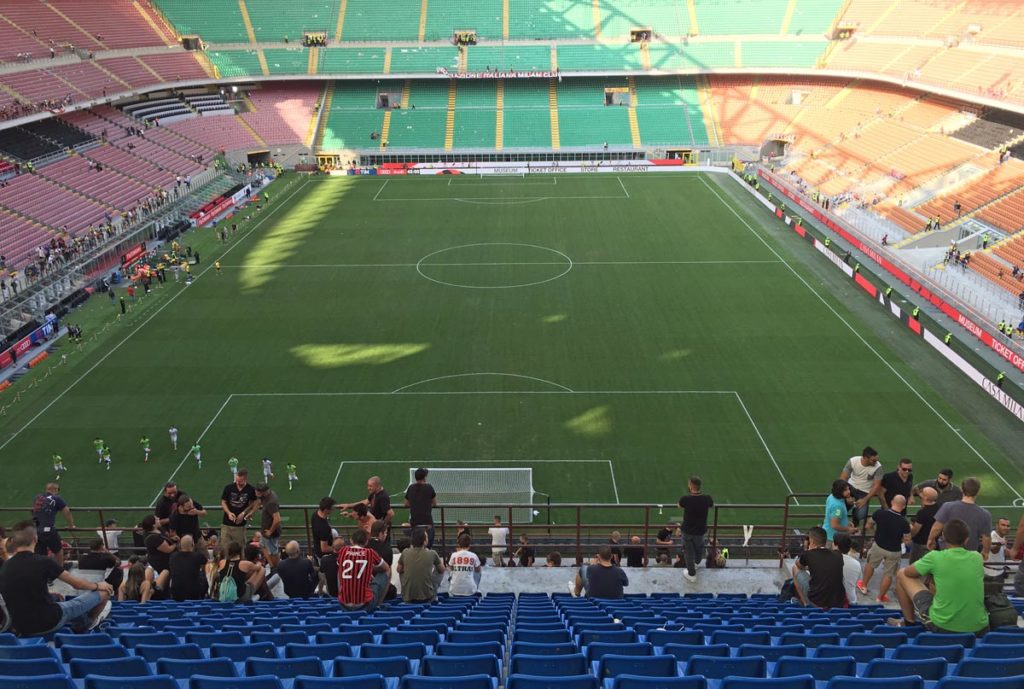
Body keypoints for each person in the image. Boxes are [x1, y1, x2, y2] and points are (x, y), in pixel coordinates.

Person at [0, 523, 113, 635]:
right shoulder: (44, 561)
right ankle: (87, 625)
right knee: (104, 592)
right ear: (35, 539)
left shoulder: (5, 566)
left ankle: (81, 621)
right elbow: (77, 584)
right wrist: (98, 586)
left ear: (13, 542)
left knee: (60, 601)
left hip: (21, 627)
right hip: (49, 621)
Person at [888, 519, 989, 634]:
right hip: (980, 627)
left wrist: (928, 564)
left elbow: (908, 573)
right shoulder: (976, 557)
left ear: (943, 537)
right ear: (966, 540)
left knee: (901, 573)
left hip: (943, 626)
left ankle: (908, 622)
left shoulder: (935, 557)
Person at [858, 495, 910, 602]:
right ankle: (880, 597)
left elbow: (868, 525)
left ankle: (863, 586)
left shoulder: (879, 513)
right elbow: (907, 540)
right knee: (888, 574)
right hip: (894, 551)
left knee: (870, 565)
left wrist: (874, 534)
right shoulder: (904, 522)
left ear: (891, 502)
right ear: (904, 506)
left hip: (878, 546)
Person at [928, 478, 992, 557]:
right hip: (969, 554)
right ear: (978, 492)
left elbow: (937, 528)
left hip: (947, 551)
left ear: (961, 489)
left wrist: (931, 539)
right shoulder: (985, 514)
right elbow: (986, 537)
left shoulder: (947, 506)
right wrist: (986, 552)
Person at [792, 526, 847, 609]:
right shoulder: (838, 554)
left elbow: (798, 565)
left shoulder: (809, 554)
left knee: (794, 568)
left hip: (817, 601)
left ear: (812, 541)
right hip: (838, 601)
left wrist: (807, 550)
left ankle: (805, 603)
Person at [336, 528, 390, 611]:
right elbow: (386, 568)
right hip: (365, 605)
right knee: (387, 572)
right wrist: (370, 568)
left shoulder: (343, 551)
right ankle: (378, 604)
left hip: (343, 605)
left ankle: (343, 593)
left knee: (340, 569)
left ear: (351, 541)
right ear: (366, 542)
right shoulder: (370, 552)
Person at [678, 475, 714, 583]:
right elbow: (711, 505)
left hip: (687, 530)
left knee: (688, 552)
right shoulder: (707, 498)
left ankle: (691, 574)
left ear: (691, 486)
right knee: (699, 548)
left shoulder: (686, 499)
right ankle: (697, 563)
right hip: (700, 530)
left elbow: (679, 505)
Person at [397, 528, 445, 603]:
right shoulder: (432, 553)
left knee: (401, 570)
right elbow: (442, 570)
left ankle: (407, 591)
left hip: (407, 596)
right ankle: (433, 592)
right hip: (428, 596)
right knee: (440, 570)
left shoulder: (405, 552)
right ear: (424, 540)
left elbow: (399, 570)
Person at [32, 483, 74, 566]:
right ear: (55, 490)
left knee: (41, 554)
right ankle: (59, 570)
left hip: (37, 530)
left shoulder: (37, 498)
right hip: (48, 530)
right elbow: (67, 511)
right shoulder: (56, 498)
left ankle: (42, 571)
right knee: (58, 550)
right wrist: (71, 526)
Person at [840, 447, 883, 528]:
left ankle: (854, 522)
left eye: (877, 460)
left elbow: (876, 485)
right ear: (865, 458)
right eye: (873, 460)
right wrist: (847, 496)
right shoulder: (853, 461)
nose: (876, 462)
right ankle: (841, 524)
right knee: (840, 508)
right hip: (850, 488)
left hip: (864, 492)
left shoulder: (878, 467)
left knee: (860, 515)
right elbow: (843, 478)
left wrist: (865, 500)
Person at [220, 469, 259, 552]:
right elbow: (223, 502)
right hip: (226, 523)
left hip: (240, 525)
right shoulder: (229, 488)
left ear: (245, 479)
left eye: (240, 481)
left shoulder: (250, 489)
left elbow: (255, 502)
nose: (237, 483)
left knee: (240, 548)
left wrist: (244, 512)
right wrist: (229, 513)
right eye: (236, 480)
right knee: (224, 547)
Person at [168, 535, 207, 601]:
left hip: (176, 594)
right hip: (193, 594)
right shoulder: (198, 556)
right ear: (193, 544)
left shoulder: (173, 556)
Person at [404, 468, 437, 548]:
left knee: (417, 547)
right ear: (424, 477)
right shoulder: (429, 487)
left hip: (415, 524)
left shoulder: (411, 488)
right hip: (427, 524)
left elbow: (406, 504)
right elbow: (435, 503)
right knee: (428, 548)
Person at [823, 479, 859, 544]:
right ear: (839, 491)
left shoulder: (831, 496)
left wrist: (846, 522)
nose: (849, 492)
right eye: (845, 490)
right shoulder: (838, 506)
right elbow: (834, 525)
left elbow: (835, 517)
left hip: (829, 535)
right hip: (834, 539)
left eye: (848, 489)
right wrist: (848, 529)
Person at [909, 487, 939, 563]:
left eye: (922, 492)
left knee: (914, 565)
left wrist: (909, 534)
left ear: (925, 498)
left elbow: (915, 531)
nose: (920, 493)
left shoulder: (922, 512)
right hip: (933, 543)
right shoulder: (939, 507)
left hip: (920, 544)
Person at [255, 483, 281, 566]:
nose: (256, 492)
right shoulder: (267, 496)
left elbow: (277, 519)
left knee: (273, 552)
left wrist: (270, 531)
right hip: (265, 531)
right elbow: (259, 502)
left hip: (270, 533)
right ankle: (271, 565)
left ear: (265, 492)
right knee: (262, 546)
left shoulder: (271, 502)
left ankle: (276, 568)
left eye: (259, 491)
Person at [834, 533, 861, 605]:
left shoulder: (827, 560)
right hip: (851, 600)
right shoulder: (856, 564)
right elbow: (857, 581)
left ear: (835, 545)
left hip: (834, 602)